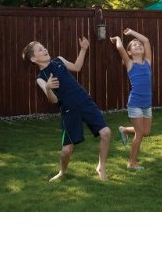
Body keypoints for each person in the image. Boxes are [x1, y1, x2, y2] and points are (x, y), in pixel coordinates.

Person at [23, 36, 111, 182]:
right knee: (66, 150)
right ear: (33, 58)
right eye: (40, 49)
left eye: (43, 47)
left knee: (106, 132)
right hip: (69, 110)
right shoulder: (41, 78)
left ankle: (101, 167)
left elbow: (77, 67)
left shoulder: (59, 60)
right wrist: (48, 88)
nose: (44, 49)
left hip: (84, 101)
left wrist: (83, 49)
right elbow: (54, 100)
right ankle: (62, 172)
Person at [110, 28, 153, 170]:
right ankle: (132, 163)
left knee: (146, 132)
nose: (139, 45)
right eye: (134, 45)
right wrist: (118, 38)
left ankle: (123, 129)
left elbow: (146, 40)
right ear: (130, 52)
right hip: (135, 104)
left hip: (147, 104)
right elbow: (120, 48)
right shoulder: (130, 64)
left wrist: (132, 32)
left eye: (139, 45)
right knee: (139, 134)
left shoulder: (147, 62)